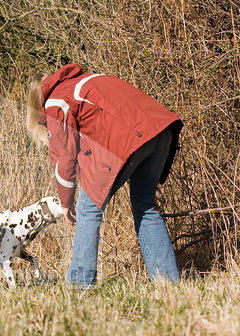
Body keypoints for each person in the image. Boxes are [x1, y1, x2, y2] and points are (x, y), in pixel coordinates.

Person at [26, 64, 183, 287]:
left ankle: (80, 284)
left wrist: (65, 202)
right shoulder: (90, 80)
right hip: (162, 130)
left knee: (87, 209)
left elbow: (64, 157)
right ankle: (167, 283)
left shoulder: (55, 100)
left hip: (130, 140)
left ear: (36, 101)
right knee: (145, 206)